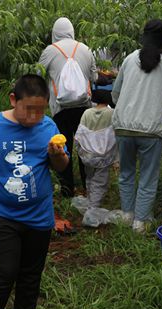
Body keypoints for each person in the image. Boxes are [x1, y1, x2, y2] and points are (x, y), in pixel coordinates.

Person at [0, 74, 69, 309]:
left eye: (40, 110)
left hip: (38, 217)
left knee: (30, 278)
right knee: (3, 274)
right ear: (13, 100)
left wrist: (56, 154)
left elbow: (62, 166)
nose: (34, 117)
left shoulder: (49, 128)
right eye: (28, 109)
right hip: (0, 214)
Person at [111, 19, 162, 233]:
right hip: (151, 130)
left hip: (123, 126)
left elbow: (116, 93)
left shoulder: (129, 59)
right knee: (148, 177)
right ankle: (141, 222)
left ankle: (127, 215)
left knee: (126, 173)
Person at [39, 17, 97, 198]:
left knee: (63, 148)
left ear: (54, 33)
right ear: (72, 31)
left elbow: (38, 75)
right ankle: (89, 189)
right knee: (84, 148)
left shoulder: (49, 51)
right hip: (84, 107)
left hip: (60, 108)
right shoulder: (85, 49)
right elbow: (94, 77)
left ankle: (67, 189)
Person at [75, 89, 116, 212]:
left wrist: (80, 149)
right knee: (100, 180)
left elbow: (79, 134)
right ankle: (93, 207)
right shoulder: (112, 113)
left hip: (88, 154)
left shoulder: (87, 113)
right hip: (104, 154)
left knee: (89, 177)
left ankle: (90, 200)